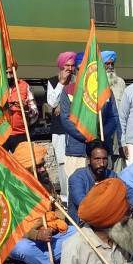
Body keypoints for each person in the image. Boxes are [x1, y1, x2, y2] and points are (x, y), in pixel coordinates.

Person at [6, 142, 75, 264]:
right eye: (38, 166)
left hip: (52, 234)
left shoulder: (45, 181)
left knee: (80, 233)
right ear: (25, 169)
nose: (43, 169)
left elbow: (59, 208)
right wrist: (37, 234)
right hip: (29, 240)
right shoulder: (12, 191)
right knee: (18, 247)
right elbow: (15, 227)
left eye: (43, 164)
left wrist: (51, 223)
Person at [56, 59, 120, 194]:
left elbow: (113, 117)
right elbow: (66, 119)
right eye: (81, 69)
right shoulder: (68, 91)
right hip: (77, 150)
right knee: (77, 190)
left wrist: (100, 135)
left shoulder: (106, 91)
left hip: (101, 149)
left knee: (103, 191)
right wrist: (87, 135)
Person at [0, 68, 35, 152]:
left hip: (20, 134)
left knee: (21, 160)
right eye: (6, 73)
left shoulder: (24, 86)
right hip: (0, 133)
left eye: (11, 72)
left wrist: (26, 108)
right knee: (1, 160)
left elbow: (35, 111)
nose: (9, 76)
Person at [46, 51, 77, 194]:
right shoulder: (53, 81)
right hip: (59, 130)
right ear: (61, 66)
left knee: (75, 162)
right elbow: (52, 102)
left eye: (72, 66)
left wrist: (63, 105)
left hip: (74, 127)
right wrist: (61, 83)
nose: (70, 69)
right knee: (62, 163)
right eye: (67, 66)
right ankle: (65, 195)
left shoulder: (77, 81)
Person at [67, 140, 116, 224]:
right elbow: (83, 204)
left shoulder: (112, 175)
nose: (102, 164)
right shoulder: (77, 177)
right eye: (97, 159)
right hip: (82, 226)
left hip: (107, 221)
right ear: (89, 159)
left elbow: (132, 194)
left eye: (104, 159)